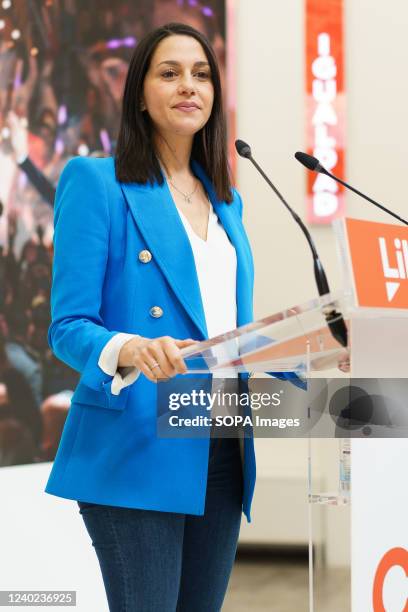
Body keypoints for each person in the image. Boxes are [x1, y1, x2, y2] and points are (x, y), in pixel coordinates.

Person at [44, 22, 256, 611]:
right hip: (137, 443)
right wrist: (131, 348)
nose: (189, 86)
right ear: (140, 93)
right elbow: (67, 327)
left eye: (201, 74)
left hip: (221, 445)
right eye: (169, 73)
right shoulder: (97, 183)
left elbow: (229, 328)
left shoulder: (226, 201)